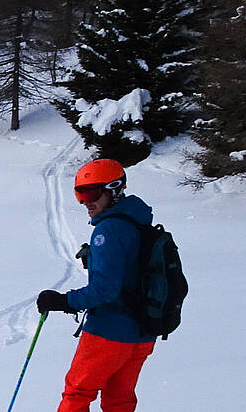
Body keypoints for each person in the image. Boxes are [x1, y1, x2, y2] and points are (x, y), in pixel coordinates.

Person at [37, 158, 157, 412]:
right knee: (119, 399)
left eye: (91, 193)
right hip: (142, 331)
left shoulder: (109, 230)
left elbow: (105, 289)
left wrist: (63, 301)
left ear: (114, 189)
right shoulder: (137, 221)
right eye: (79, 194)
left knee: (77, 393)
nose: (85, 202)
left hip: (109, 331)